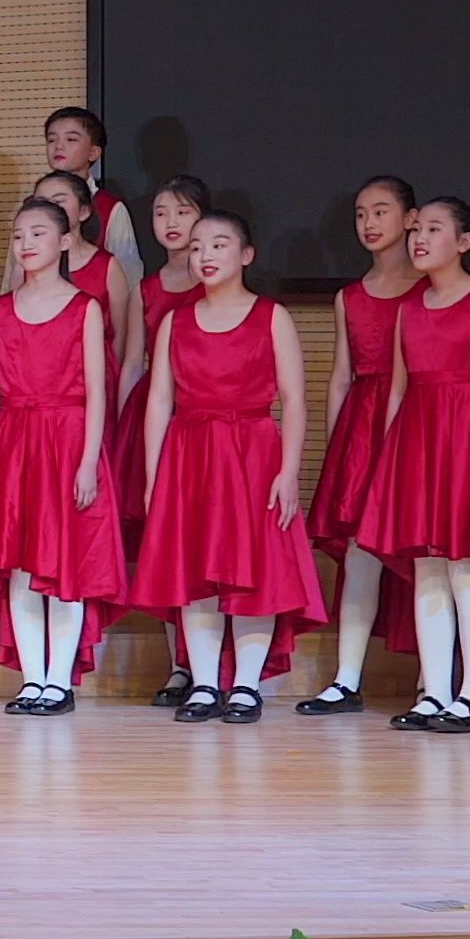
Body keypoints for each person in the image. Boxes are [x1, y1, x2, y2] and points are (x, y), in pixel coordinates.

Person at [133, 211, 320, 725]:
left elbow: (295, 399)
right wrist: (153, 477)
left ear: (246, 255)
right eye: (197, 247)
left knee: (252, 566)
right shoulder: (176, 320)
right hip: (190, 453)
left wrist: (289, 471)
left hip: (253, 452)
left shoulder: (271, 316)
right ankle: (204, 682)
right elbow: (158, 403)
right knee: (196, 569)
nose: (205, 256)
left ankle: (245, 685)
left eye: (218, 245)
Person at [0, 197, 123, 717]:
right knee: (21, 565)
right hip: (13, 444)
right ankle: (32, 678)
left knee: (65, 560)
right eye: (19, 234)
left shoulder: (84, 307)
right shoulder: (0, 308)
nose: (26, 244)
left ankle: (59, 680)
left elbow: (97, 392)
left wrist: (89, 461)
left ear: (65, 241)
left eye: (38, 234)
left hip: (68, 439)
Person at [367, 196, 470, 732]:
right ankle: (434, 691)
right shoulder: (408, 309)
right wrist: (391, 458)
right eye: (416, 228)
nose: (419, 238)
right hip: (420, 445)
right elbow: (399, 390)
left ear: (463, 242)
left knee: (468, 572)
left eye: (433, 229)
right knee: (427, 569)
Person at [300, 176, 424, 714]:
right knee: (359, 552)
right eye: (360, 214)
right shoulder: (349, 296)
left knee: (424, 551)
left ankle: (433, 680)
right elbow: (341, 377)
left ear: (410, 218)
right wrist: (337, 447)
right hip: (362, 428)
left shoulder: (429, 289)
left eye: (380, 211)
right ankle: (346, 677)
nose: (369, 224)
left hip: (419, 425)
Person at [42, 107, 145, 281]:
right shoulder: (33, 206)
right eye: (52, 140)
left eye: (71, 139)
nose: (59, 146)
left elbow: (130, 276)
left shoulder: (110, 208)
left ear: (94, 152)